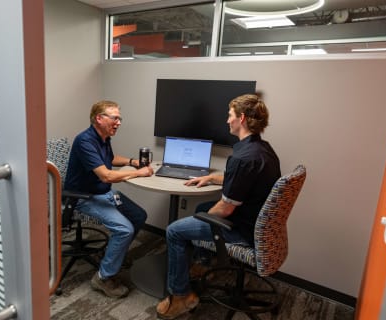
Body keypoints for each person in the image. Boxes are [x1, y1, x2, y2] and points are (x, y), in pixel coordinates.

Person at [156, 94, 281, 319]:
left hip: (241, 229)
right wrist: (213, 177)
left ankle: (181, 296)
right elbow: (244, 179)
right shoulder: (263, 150)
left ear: (241, 118)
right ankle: (203, 264)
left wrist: (204, 219)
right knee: (202, 206)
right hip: (257, 222)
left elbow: (225, 210)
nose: (227, 120)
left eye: (229, 115)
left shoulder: (243, 157)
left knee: (174, 230)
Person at [64, 100, 154, 299]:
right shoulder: (85, 140)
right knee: (124, 229)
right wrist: (139, 173)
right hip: (83, 197)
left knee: (139, 215)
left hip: (103, 193)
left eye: (119, 118)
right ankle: (103, 278)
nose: (119, 122)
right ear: (99, 118)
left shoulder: (103, 137)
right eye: (115, 118)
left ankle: (112, 256)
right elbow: (106, 175)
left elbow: (110, 159)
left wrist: (132, 162)